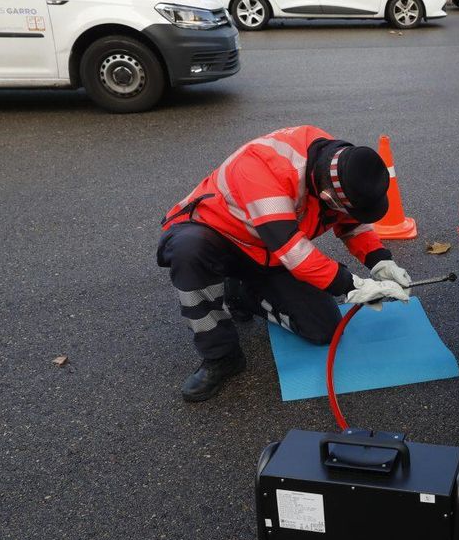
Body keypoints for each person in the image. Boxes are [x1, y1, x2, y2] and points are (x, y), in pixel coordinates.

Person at [157, 125, 412, 402]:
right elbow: (294, 252)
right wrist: (352, 285)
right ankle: (220, 355)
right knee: (189, 251)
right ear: (328, 198)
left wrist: (380, 261)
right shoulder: (263, 169)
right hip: (217, 238)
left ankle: (242, 294)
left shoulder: (337, 167)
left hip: (267, 249)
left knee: (323, 329)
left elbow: (352, 224)